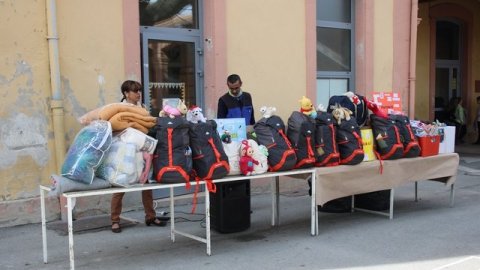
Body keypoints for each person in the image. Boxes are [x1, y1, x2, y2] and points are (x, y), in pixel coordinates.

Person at [111, 80, 166, 233]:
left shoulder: (142, 108)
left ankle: (150, 216)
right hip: (126, 151)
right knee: (120, 185)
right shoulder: (119, 109)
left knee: (146, 184)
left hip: (142, 150)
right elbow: (117, 129)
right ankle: (115, 220)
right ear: (126, 93)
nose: (138, 94)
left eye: (139, 91)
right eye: (135, 91)